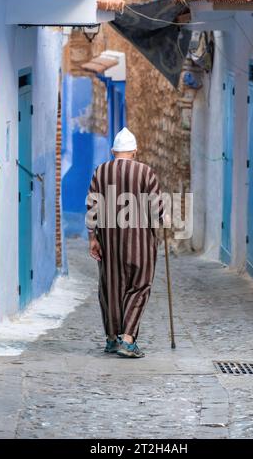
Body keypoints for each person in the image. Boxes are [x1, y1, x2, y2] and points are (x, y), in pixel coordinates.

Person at [86, 127, 164, 358]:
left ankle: (112, 338)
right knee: (139, 286)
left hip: (109, 242)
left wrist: (93, 238)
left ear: (113, 151)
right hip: (140, 244)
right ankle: (128, 340)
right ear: (135, 151)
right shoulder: (146, 172)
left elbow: (92, 206)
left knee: (110, 288)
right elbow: (157, 210)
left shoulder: (101, 172)